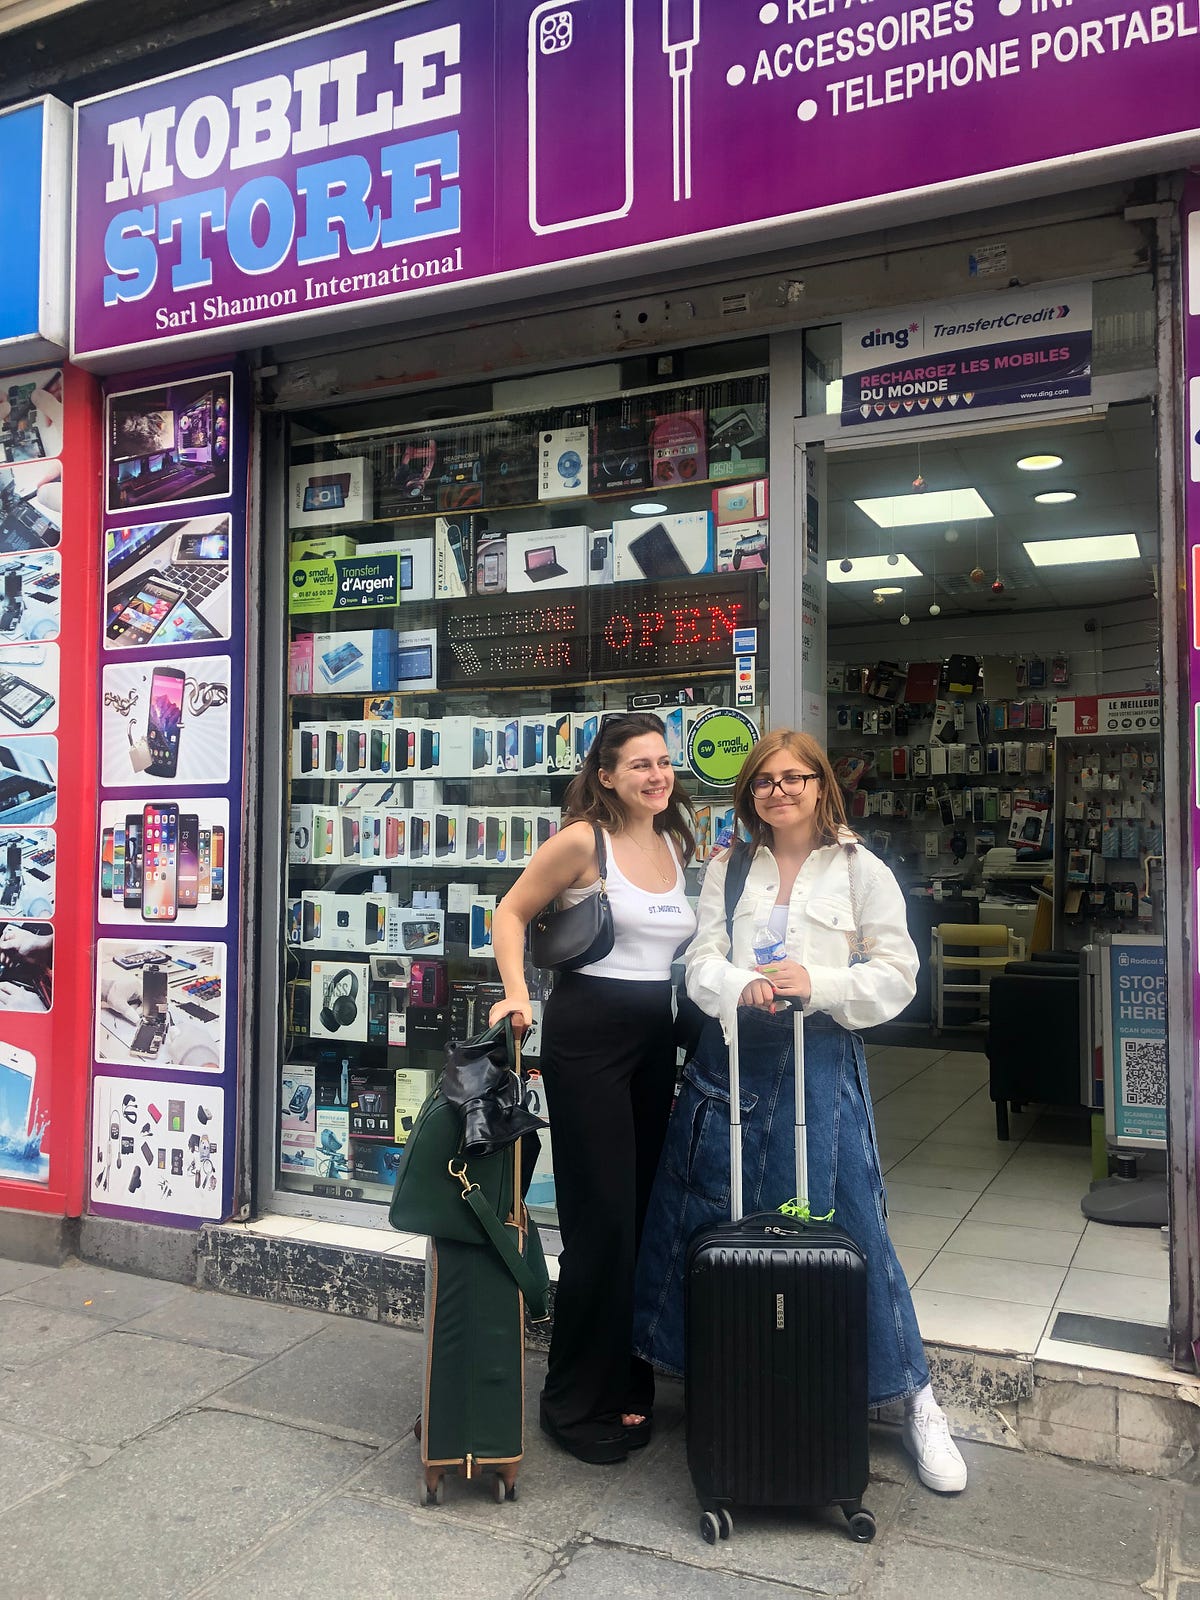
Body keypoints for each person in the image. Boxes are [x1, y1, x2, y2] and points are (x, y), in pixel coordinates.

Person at [632, 728, 968, 1494]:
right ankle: (717, 1383)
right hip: (735, 1054)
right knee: (709, 1213)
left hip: (818, 1056)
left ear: (821, 786)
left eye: (793, 778)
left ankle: (916, 1401)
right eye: (763, 782)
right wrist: (735, 986)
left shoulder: (861, 870)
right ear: (750, 794)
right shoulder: (728, 866)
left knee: (851, 1223)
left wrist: (816, 983)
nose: (777, 791)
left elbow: (897, 975)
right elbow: (700, 961)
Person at [490, 712, 696, 1465]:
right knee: (600, 1219)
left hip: (652, 1038)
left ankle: (627, 1381)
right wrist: (518, 994)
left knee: (640, 1217)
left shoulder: (674, 842)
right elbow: (509, 912)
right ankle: (573, 1402)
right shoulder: (584, 840)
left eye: (663, 762)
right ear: (605, 774)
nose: (656, 775)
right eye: (638, 764)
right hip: (587, 1038)